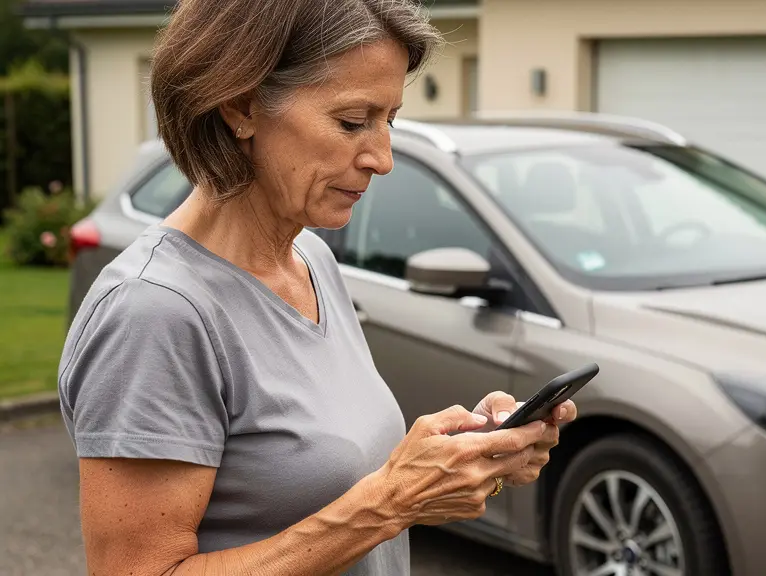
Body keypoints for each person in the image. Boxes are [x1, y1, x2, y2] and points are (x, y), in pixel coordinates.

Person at [55, 0, 577, 574]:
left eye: (390, 120)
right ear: (240, 107)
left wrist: (456, 457)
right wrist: (390, 503)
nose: (382, 158)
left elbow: (321, 473)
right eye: (353, 121)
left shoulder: (310, 258)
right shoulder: (154, 312)